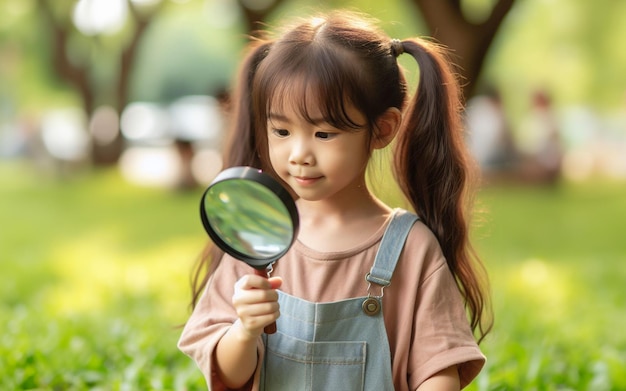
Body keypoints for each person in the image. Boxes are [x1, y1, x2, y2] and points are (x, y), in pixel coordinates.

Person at [179, 10, 492, 391]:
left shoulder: (411, 247)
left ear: (383, 129)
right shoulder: (256, 234)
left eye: (324, 133)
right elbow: (226, 375)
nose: (299, 153)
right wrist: (245, 330)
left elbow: (437, 370)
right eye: (281, 130)